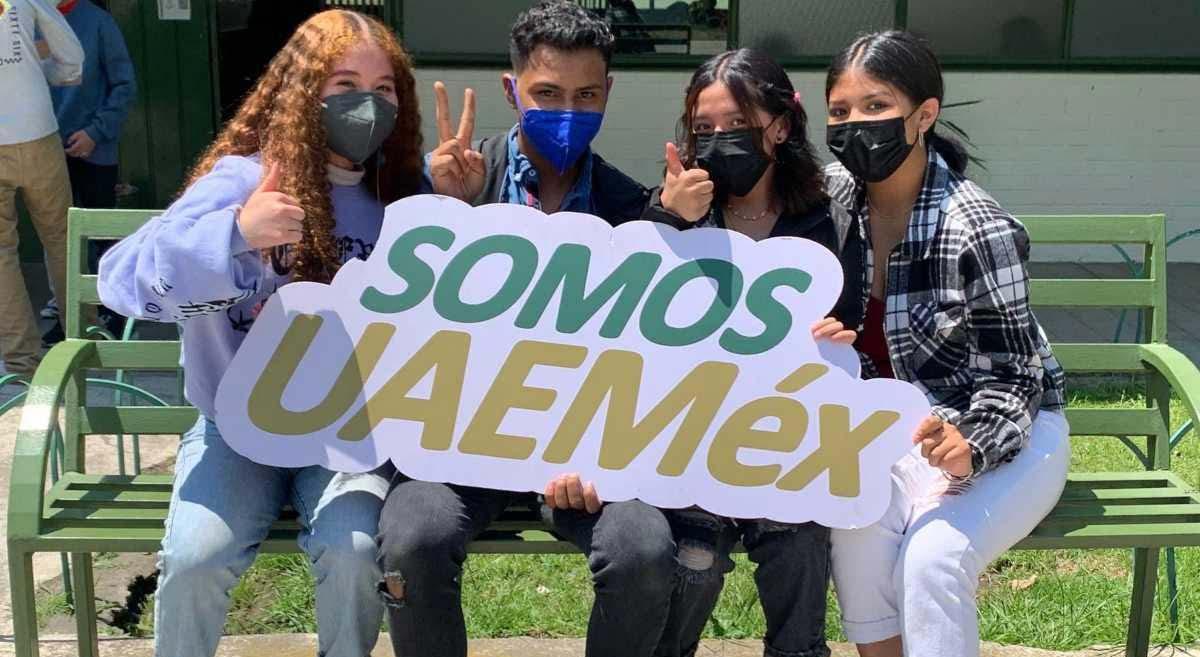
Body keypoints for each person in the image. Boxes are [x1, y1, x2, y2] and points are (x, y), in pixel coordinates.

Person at [96, 10, 423, 657]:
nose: (367, 104)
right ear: (303, 90)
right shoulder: (244, 180)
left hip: (344, 433)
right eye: (344, 84)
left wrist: (455, 199)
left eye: (384, 88)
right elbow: (121, 280)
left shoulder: (400, 195)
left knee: (356, 552)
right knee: (194, 559)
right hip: (233, 429)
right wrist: (235, 235)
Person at [376, 3, 681, 656]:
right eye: (547, 93)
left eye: (586, 95)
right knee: (413, 538)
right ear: (511, 89)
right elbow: (394, 324)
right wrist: (442, 210)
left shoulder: (629, 211)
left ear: (608, 93)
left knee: (644, 549)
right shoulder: (454, 183)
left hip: (581, 454)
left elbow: (644, 354)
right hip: (457, 446)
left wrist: (600, 455)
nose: (567, 110)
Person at [820, 30, 1069, 657]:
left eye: (876, 106)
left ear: (924, 115)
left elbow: (1017, 376)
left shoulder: (977, 227)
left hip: (1009, 427)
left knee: (932, 558)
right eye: (840, 111)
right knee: (853, 523)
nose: (855, 125)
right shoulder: (831, 199)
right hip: (896, 433)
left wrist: (972, 445)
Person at [651, 47, 861, 657]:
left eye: (738, 124)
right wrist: (667, 221)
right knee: (693, 556)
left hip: (788, 435)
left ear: (781, 126)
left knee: (798, 538)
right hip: (690, 436)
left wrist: (838, 341)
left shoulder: (828, 218)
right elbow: (633, 325)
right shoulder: (674, 211)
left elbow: (848, 327)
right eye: (704, 128)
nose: (720, 140)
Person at [41, 0, 136, 344]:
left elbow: (124, 85)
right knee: (60, 236)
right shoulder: (27, 20)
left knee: (100, 231)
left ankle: (115, 309)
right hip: (46, 148)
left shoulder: (98, 22)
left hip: (95, 149)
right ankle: (72, 316)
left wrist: (96, 132)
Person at [0, 0, 82, 375]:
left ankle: (22, 363)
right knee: (62, 238)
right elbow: (72, 59)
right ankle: (80, 343)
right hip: (36, 130)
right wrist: (42, 70)